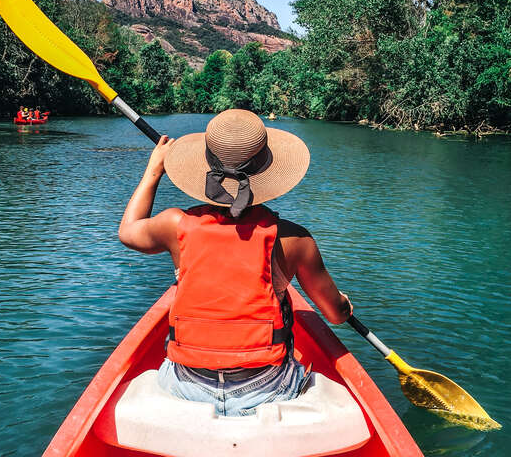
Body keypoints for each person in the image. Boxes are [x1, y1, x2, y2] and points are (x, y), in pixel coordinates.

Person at [118, 109, 352, 417]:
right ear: (267, 173)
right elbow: (335, 314)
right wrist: (345, 304)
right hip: (267, 386)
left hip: (186, 383)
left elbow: (128, 231)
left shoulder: (174, 225)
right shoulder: (294, 239)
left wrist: (153, 171)